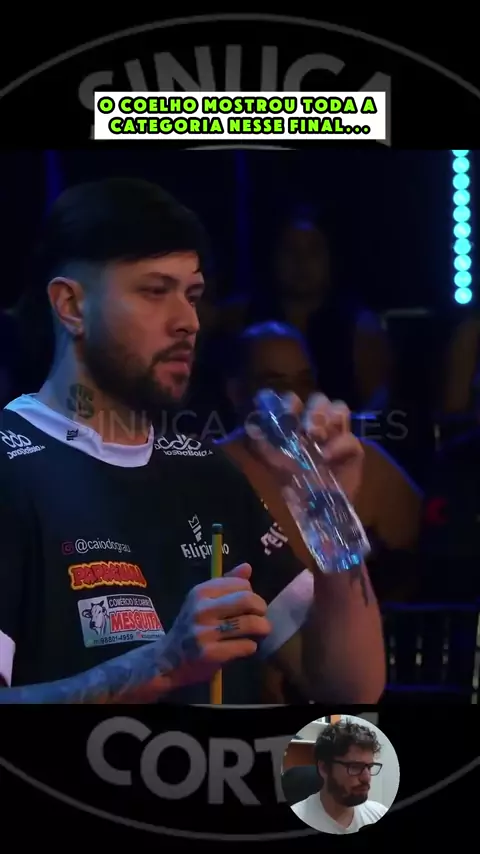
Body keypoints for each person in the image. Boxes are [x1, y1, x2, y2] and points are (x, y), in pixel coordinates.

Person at [0, 178, 385, 705]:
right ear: (71, 305)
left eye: (193, 295)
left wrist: (331, 517)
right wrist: (160, 666)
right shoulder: (11, 466)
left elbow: (350, 686)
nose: (188, 321)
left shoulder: (208, 471)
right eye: (155, 291)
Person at [218, 321, 420, 701]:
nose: (292, 396)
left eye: (303, 380)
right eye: (274, 383)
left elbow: (424, 555)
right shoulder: (211, 472)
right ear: (236, 390)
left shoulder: (355, 460)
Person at [235, 208, 392, 411]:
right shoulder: (241, 318)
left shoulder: (361, 328)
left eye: (314, 250)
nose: (302, 261)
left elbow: (377, 407)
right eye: (290, 250)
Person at [290, 721, 387, 834]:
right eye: (355, 767)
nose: (367, 778)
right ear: (324, 768)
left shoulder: (379, 814)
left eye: (369, 767)